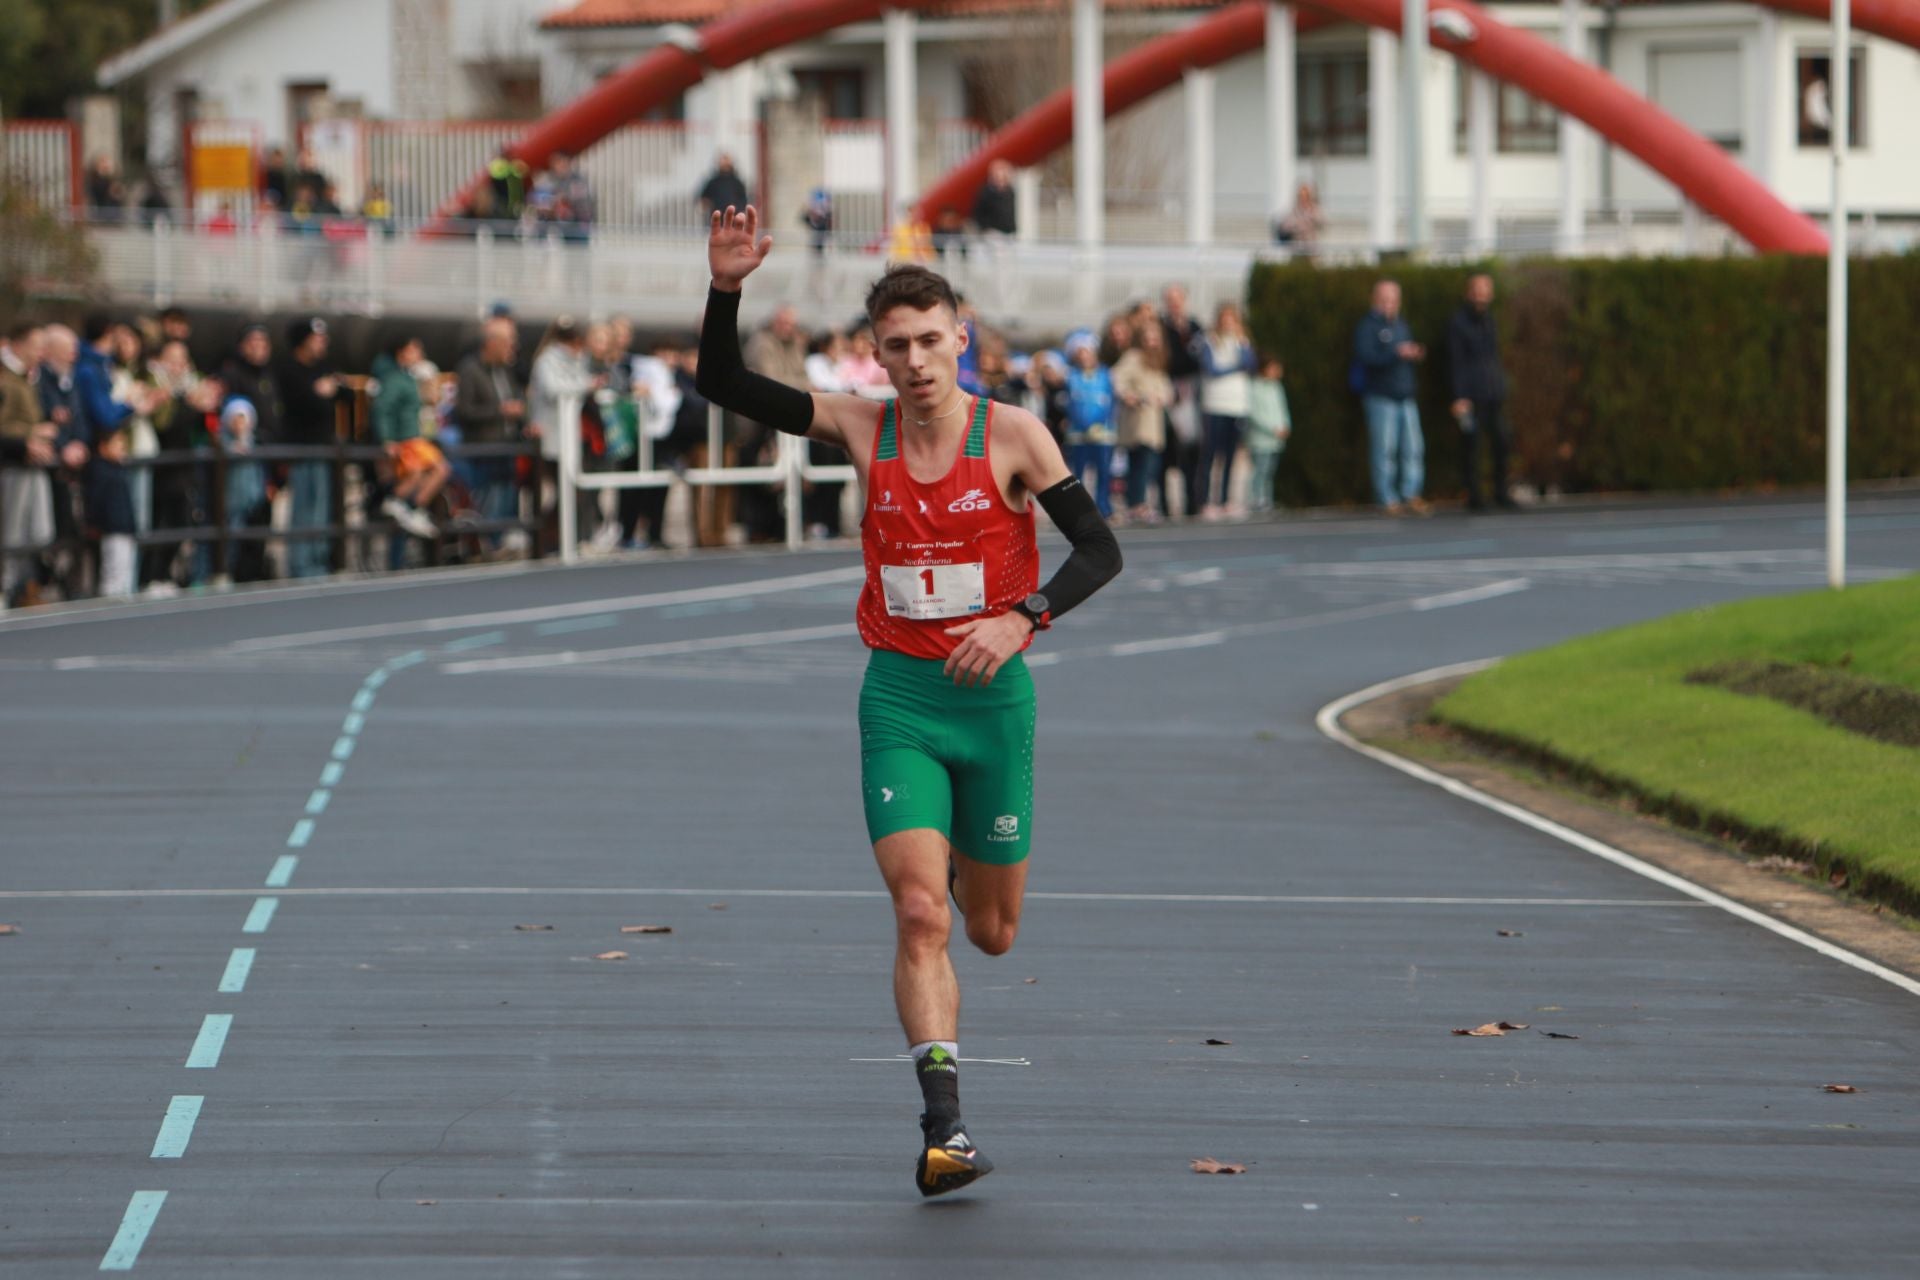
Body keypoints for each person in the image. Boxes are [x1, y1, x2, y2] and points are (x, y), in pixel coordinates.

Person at [695, 206, 1121, 1198]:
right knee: (920, 912)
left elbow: (1100, 550)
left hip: (993, 702)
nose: (919, 360)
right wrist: (726, 288)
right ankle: (946, 1127)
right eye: (898, 346)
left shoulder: (1013, 434)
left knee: (991, 931)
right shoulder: (858, 424)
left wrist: (1024, 617)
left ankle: (977, 866)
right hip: (898, 699)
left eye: (934, 340)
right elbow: (722, 382)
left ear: (960, 335)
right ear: (873, 356)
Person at [1353, 279, 1429, 516]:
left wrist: (1413, 354)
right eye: (1385, 299)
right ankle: (1386, 497)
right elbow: (1366, 358)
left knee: (1413, 447)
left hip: (1404, 395)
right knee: (1385, 449)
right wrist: (1395, 354)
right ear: (1375, 299)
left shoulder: (1401, 325)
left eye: (1393, 299)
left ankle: (1411, 493)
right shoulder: (1367, 326)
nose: (1389, 304)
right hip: (1380, 397)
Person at [1446, 273, 1516, 512]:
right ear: (1468, 292)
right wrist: (1459, 396)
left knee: (1502, 443)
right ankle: (1475, 496)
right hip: (1470, 395)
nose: (1480, 295)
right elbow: (1456, 361)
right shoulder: (1458, 322)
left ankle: (1501, 492)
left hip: (1492, 393)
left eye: (1485, 290)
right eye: (1476, 289)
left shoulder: (1490, 320)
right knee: (1472, 447)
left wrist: (1500, 385)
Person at [1, 321, 59, 606]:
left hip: (32, 464)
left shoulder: (30, 377)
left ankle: (26, 586)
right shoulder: (5, 378)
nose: (41, 352)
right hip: (12, 465)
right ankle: (9, 589)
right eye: (37, 346)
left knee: (38, 531)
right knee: (11, 532)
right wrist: (29, 437)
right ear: (19, 344)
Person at [454, 315, 528, 535]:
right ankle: (489, 542)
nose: (512, 347)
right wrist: (500, 411)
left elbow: (520, 400)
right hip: (484, 449)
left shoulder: (506, 369)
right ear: (491, 343)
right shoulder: (470, 369)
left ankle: (504, 540)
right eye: (507, 342)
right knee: (490, 500)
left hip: (508, 446)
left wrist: (521, 414)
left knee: (509, 496)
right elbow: (464, 411)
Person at [368, 335, 447, 540]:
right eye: (414, 349)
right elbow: (383, 409)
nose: (419, 355)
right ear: (401, 352)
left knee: (423, 472)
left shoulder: (406, 377)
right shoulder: (395, 379)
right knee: (429, 470)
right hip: (406, 438)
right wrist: (387, 439)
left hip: (412, 436)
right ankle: (402, 504)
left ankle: (409, 508)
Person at [277, 317, 339, 577]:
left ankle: (318, 560)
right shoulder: (288, 369)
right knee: (304, 507)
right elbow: (304, 402)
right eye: (317, 338)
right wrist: (318, 392)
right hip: (300, 450)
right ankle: (301, 564)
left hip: (323, 449)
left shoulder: (322, 368)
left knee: (321, 508)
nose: (322, 343)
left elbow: (342, 392)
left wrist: (327, 389)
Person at [1194, 302, 1255, 519]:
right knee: (1210, 454)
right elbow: (1212, 370)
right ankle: (1205, 501)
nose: (1228, 323)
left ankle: (1226, 500)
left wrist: (1240, 346)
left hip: (1236, 405)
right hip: (1214, 404)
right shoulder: (1209, 341)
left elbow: (1249, 363)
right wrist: (1235, 366)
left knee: (1230, 455)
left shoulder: (1241, 341)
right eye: (1225, 318)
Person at [1112, 321, 1172, 523]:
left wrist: (1163, 397)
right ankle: (1136, 505)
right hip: (1137, 420)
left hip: (1152, 420)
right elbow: (1117, 378)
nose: (1152, 341)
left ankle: (1139, 503)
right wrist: (1129, 395)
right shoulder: (1133, 357)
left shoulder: (1157, 360)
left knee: (1149, 465)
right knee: (1140, 464)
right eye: (1148, 336)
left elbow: (1165, 387)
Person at [1158, 284, 1204, 519]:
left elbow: (1199, 358)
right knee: (1167, 450)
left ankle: (1192, 502)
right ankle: (1165, 505)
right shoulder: (1162, 327)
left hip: (1190, 390)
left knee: (1191, 448)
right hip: (1169, 388)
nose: (1175, 303)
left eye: (1178, 298)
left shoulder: (1194, 326)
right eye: (1170, 299)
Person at [1244, 353, 1290, 515]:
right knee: (1261, 469)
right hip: (1260, 439)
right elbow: (1255, 414)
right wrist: (1272, 428)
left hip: (1275, 439)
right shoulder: (1255, 387)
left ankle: (1267, 499)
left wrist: (1285, 425)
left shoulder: (1277, 387)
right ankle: (1256, 499)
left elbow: (1282, 409)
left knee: (1270, 471)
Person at [697, 153, 748, 217]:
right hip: (717, 216)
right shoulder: (713, 182)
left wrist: (740, 210)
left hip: (734, 216)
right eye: (723, 160)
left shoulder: (737, 182)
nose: (725, 163)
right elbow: (704, 198)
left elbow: (743, 199)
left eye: (727, 160)